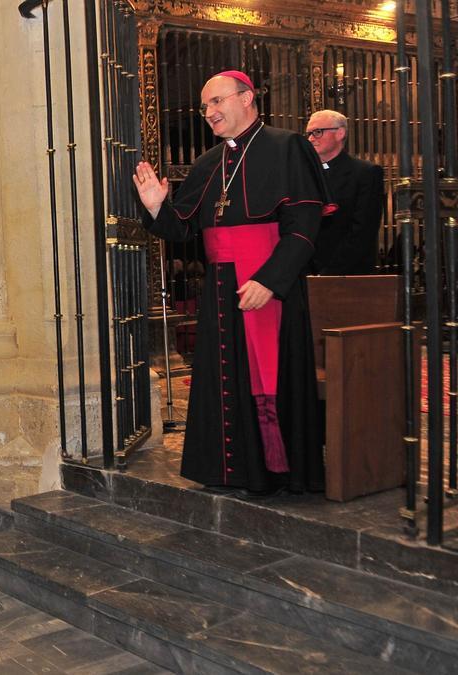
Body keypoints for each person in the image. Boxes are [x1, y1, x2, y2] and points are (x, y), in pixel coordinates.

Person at [132, 70, 330, 497]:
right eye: (205, 107)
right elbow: (183, 229)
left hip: (267, 286)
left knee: (269, 377)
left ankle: (276, 471)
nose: (210, 113)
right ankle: (232, 469)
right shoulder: (207, 163)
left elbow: (303, 227)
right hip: (221, 289)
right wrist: (155, 208)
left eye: (217, 102)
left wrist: (271, 281)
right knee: (226, 379)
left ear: (247, 99)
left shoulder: (287, 147)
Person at [305, 110, 385, 275]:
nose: (311, 138)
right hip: (306, 272)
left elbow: (363, 231)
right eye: (309, 133)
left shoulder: (365, 173)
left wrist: (329, 272)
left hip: (348, 274)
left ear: (340, 133)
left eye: (317, 132)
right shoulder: (303, 173)